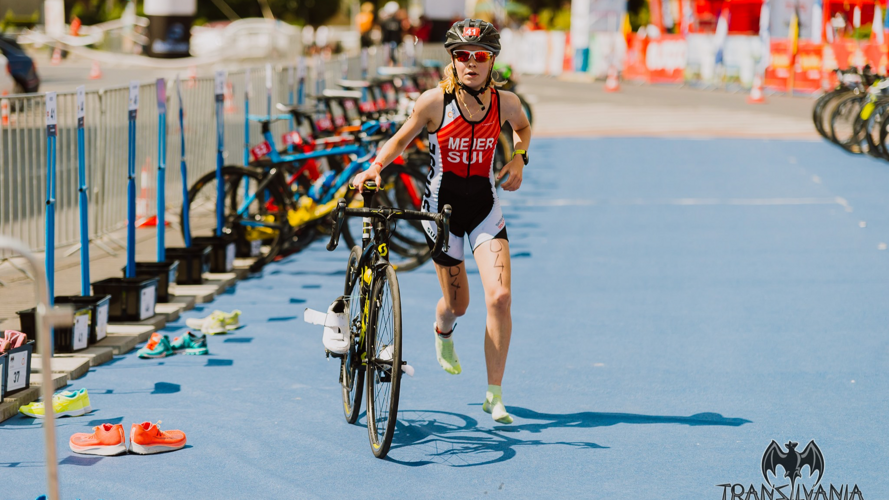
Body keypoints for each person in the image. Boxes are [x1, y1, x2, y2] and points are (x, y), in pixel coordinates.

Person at [350, 19, 532, 424]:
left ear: (492, 61)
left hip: (485, 207)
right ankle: (442, 330)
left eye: (480, 56)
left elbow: (522, 129)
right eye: (462, 55)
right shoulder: (435, 102)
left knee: (500, 298)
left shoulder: (506, 103)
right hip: (441, 214)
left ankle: (494, 393)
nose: (471, 62)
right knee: (459, 305)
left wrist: (520, 157)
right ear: (452, 59)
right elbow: (401, 139)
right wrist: (375, 167)